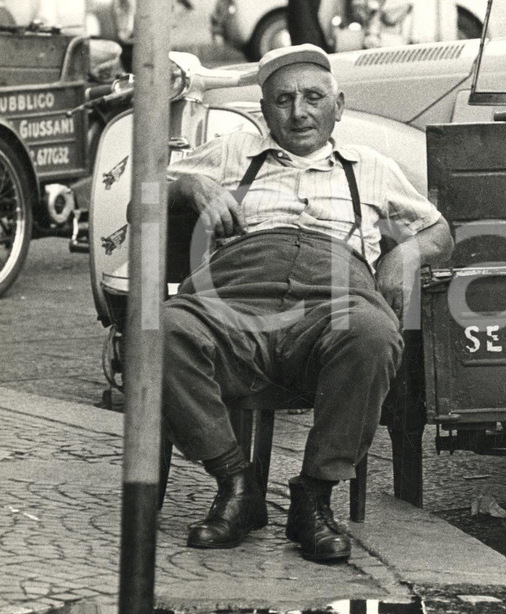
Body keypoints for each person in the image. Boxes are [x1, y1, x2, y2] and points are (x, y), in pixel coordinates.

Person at [161, 44, 454, 563]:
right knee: (165, 329)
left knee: (373, 333)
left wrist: (407, 253)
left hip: (332, 302)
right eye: (283, 100)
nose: (298, 112)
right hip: (236, 300)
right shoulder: (232, 152)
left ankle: (313, 499)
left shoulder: (371, 167)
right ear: (264, 110)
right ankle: (237, 486)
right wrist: (192, 184)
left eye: (313, 97)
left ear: (338, 106)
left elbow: (439, 230)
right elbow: (147, 184)